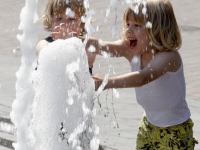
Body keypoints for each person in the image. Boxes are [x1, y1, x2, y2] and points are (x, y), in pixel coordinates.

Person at [70, 0, 198, 149]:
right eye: (128, 24)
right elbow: (102, 46)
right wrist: (76, 41)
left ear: (157, 29)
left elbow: (143, 77)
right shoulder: (130, 49)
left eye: (137, 25)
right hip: (148, 127)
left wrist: (106, 82)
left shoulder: (168, 57)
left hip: (175, 132)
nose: (129, 30)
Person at [35, 0, 95, 74]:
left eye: (72, 19)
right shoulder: (44, 44)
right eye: (58, 18)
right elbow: (45, 57)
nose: (64, 24)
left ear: (82, 23)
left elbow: (87, 62)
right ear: (51, 20)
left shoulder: (85, 46)